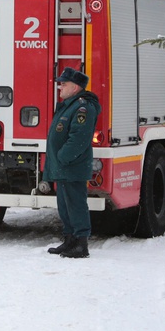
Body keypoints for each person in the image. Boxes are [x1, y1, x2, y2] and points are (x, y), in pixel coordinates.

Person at [45, 67, 100, 259]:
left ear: (75, 87)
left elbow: (79, 138)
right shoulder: (69, 105)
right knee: (65, 204)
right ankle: (69, 240)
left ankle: (80, 244)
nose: (60, 86)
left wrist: (62, 157)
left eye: (64, 83)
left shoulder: (83, 107)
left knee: (76, 204)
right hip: (64, 166)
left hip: (72, 165)